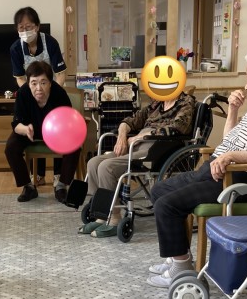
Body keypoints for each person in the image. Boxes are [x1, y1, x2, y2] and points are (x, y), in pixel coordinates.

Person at [147, 45, 247, 288]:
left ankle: (181, 269)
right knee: (160, 190)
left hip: (244, 179)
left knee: (167, 205)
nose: (246, 86)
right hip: (221, 170)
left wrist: (231, 157)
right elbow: (229, 140)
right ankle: (177, 257)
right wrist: (232, 110)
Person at [82, 89, 196, 237]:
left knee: (107, 167)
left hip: (157, 147)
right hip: (137, 144)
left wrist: (141, 136)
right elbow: (130, 121)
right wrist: (122, 137)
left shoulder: (185, 103)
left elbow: (178, 128)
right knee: (93, 163)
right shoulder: (157, 104)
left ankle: (114, 218)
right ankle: (101, 215)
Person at [5, 61, 80, 204]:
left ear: (50, 83)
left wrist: (63, 131)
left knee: (74, 146)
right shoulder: (23, 93)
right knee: (11, 148)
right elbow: (16, 123)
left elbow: (68, 118)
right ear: (28, 83)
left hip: (56, 132)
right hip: (29, 131)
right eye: (34, 83)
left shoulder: (59, 93)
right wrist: (25, 129)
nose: (38, 88)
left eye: (43, 83)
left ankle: (61, 186)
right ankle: (28, 187)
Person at [10, 6, 67, 185]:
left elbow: (60, 73)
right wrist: (31, 93)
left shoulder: (50, 43)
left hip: (52, 90)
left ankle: (58, 175)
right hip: (30, 92)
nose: (25, 31)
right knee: (33, 127)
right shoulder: (16, 48)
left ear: (37, 26)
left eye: (28, 27)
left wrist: (51, 92)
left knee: (56, 130)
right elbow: (19, 77)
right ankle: (38, 175)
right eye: (21, 28)